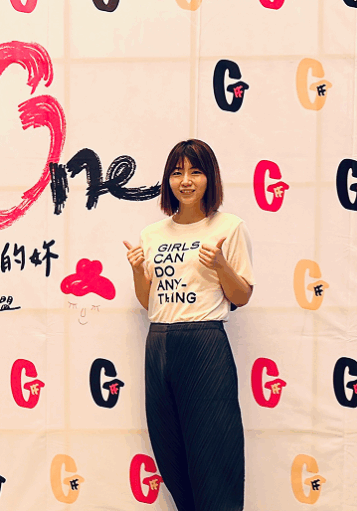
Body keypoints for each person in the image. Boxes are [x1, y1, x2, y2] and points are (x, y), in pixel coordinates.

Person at [122, 139, 254, 511]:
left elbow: (241, 295)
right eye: (177, 172)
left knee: (215, 453)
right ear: (168, 180)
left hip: (204, 343)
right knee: (170, 451)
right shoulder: (153, 234)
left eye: (195, 172)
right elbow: (149, 301)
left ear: (210, 178)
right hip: (159, 344)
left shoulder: (229, 227)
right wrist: (137, 271)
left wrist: (221, 265)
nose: (186, 181)